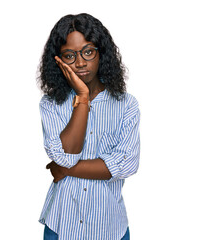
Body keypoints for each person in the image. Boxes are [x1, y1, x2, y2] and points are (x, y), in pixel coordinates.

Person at [37, 13, 140, 240]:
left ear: (101, 53)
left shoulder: (126, 105)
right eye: (70, 55)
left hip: (110, 227)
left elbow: (127, 164)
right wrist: (82, 97)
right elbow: (66, 156)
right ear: (58, 60)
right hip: (62, 225)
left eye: (88, 51)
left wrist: (63, 169)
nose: (80, 62)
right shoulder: (51, 105)